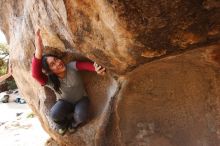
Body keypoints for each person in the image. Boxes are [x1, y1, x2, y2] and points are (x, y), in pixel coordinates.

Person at [31, 29, 106, 135]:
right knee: (54, 114)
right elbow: (35, 74)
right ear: (49, 71)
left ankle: (73, 124)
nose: (58, 63)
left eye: (56, 60)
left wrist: (96, 69)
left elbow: (85, 65)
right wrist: (38, 50)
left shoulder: (71, 66)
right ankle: (63, 125)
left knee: (81, 115)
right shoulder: (50, 80)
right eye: (52, 64)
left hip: (81, 99)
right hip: (64, 103)